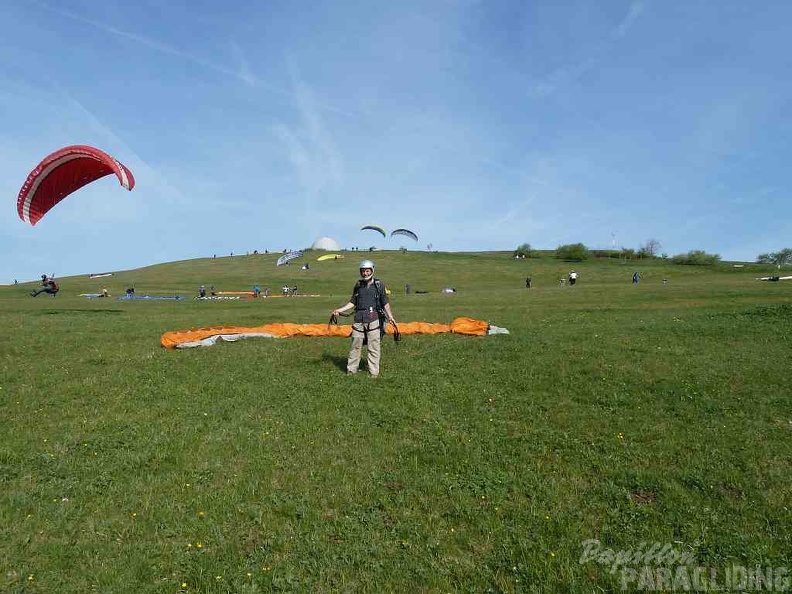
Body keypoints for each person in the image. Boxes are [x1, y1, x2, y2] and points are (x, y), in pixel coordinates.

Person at [332, 260, 396, 379]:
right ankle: (351, 371)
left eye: (367, 271)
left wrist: (391, 317)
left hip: (374, 320)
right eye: (363, 271)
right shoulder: (358, 286)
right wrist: (340, 310)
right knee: (355, 346)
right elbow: (352, 302)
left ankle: (374, 374)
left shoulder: (379, 286)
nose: (365, 273)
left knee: (373, 347)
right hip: (359, 320)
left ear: (372, 270)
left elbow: (385, 303)